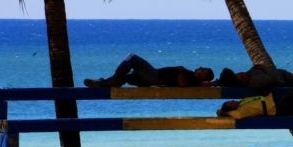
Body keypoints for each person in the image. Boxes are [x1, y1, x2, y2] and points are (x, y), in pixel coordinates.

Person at [84, 54, 214, 88]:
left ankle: (110, 81)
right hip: (150, 78)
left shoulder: (191, 78)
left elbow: (182, 84)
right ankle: (103, 83)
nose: (201, 70)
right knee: (126, 75)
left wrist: (181, 70)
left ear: (203, 78)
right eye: (203, 69)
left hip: (154, 77)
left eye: (204, 73)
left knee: (132, 58)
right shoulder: (189, 73)